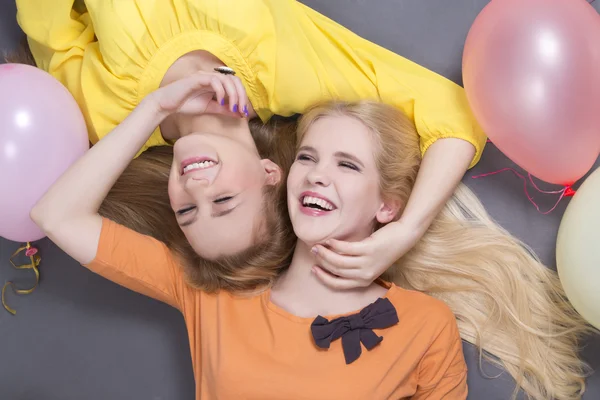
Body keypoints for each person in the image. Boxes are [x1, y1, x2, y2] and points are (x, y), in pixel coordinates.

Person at [31, 78, 469, 400]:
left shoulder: (426, 324)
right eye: (308, 158)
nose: (317, 174)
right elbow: (56, 214)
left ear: (387, 205)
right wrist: (156, 108)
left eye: (347, 165)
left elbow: (460, 116)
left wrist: (406, 231)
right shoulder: (213, 293)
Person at [16, 0, 486, 286]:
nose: (196, 188)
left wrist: (156, 108)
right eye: (222, 200)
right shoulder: (287, 70)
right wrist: (402, 234)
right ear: (269, 174)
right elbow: (454, 111)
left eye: (186, 211)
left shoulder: (107, 117)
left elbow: (49, 27)